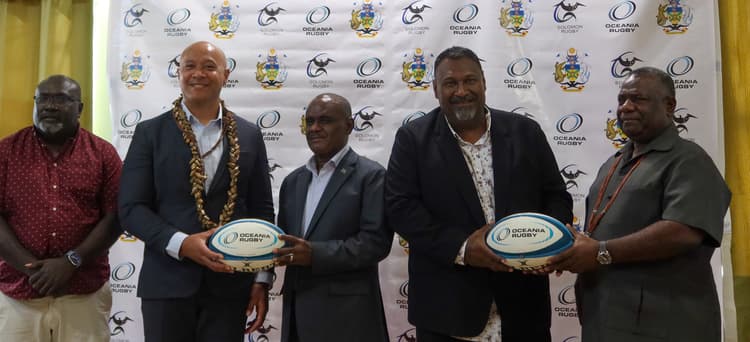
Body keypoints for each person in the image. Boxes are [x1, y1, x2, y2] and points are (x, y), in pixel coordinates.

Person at [385, 46, 573, 342]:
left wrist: (547, 244)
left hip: (524, 308)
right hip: (447, 312)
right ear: (435, 89)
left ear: (484, 82)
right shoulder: (412, 139)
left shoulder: (525, 132)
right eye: (450, 83)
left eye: (470, 80)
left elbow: (556, 196)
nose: (461, 91)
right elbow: (401, 208)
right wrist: (463, 248)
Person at [545, 67, 731, 342]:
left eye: (638, 99)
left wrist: (600, 253)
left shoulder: (689, 160)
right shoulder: (614, 162)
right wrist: (572, 249)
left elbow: (684, 231)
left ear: (669, 106)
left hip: (664, 325)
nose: (626, 107)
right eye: (621, 100)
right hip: (605, 318)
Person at [118, 41, 274, 342]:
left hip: (230, 288)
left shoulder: (250, 135)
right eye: (189, 66)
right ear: (179, 73)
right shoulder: (150, 134)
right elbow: (131, 209)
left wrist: (262, 278)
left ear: (226, 75)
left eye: (208, 66)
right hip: (166, 284)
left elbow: (262, 211)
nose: (197, 73)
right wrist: (182, 243)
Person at [0, 75, 122, 342]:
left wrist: (71, 262)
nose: (50, 106)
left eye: (61, 99)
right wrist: (31, 268)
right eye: (43, 98)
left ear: (79, 108)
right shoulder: (6, 152)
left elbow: (115, 217)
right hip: (19, 294)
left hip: (83, 293)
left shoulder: (103, 154)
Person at [274, 93, 392, 342]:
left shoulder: (372, 176)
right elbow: (282, 241)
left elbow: (375, 244)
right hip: (297, 312)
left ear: (349, 125)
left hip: (349, 318)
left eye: (325, 120)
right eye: (310, 121)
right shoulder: (293, 181)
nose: (315, 128)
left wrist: (315, 254)